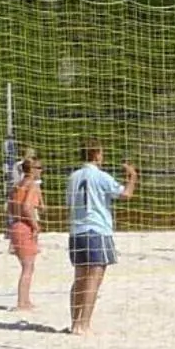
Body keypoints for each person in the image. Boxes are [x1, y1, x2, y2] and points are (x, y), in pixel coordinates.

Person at [66, 142, 137, 335]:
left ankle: (74, 322)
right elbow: (126, 194)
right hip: (96, 229)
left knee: (79, 278)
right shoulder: (100, 176)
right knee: (94, 279)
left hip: (76, 231)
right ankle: (84, 323)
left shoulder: (73, 177)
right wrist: (132, 177)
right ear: (96, 155)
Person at [6, 150, 43, 311]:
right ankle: (22, 302)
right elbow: (27, 207)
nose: (41, 171)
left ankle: (25, 300)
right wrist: (35, 226)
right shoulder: (31, 186)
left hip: (15, 225)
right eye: (40, 168)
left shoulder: (17, 186)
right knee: (27, 268)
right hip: (24, 226)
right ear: (33, 170)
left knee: (27, 266)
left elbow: (9, 207)